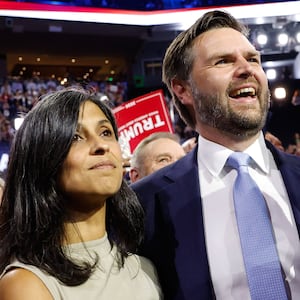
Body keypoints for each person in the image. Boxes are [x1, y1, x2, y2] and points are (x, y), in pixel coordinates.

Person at [131, 10, 300, 300]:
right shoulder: (144, 204)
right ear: (182, 89)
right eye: (223, 61)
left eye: (253, 59)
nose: (247, 69)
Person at [0, 87, 162, 299]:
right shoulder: (25, 283)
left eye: (106, 132)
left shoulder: (145, 268)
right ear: (42, 160)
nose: (101, 146)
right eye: (76, 137)